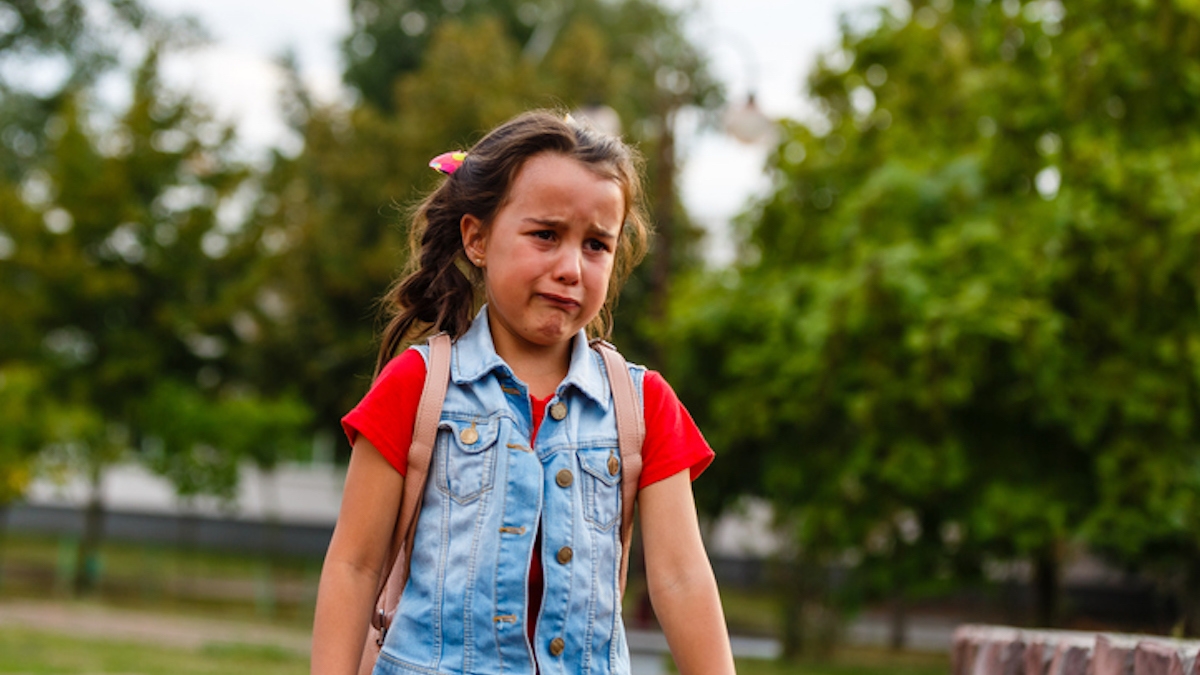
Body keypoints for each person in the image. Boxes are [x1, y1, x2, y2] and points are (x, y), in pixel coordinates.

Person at [311, 110, 735, 675]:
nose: (570, 268)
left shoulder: (643, 405)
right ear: (478, 238)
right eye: (545, 235)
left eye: (595, 246)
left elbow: (682, 580)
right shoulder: (418, 386)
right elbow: (354, 566)